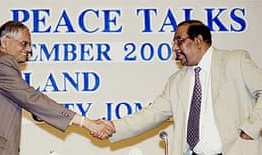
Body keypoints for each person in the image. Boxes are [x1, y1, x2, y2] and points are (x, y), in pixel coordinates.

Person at [94, 20, 262, 155]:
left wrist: (251, 127)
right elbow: (151, 115)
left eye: (179, 41)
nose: (174, 48)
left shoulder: (235, 61)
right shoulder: (176, 81)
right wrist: (114, 127)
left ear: (198, 41)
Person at [0, 20, 112, 155]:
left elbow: (31, 104)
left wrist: (41, 112)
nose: (29, 50)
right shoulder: (2, 62)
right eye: (24, 43)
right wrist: (85, 122)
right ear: (5, 41)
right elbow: (31, 99)